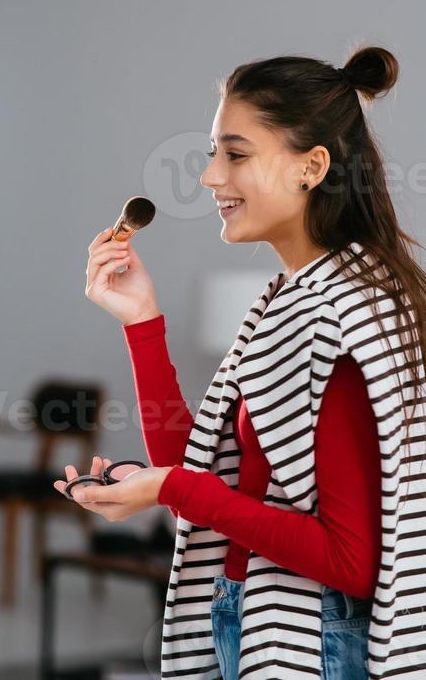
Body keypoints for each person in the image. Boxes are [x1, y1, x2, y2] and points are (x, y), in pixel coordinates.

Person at [53, 45, 426, 680]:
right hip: (250, 621)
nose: (209, 178)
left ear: (311, 167)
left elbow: (352, 558)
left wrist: (169, 487)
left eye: (236, 153)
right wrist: (143, 325)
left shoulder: (340, 317)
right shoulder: (294, 300)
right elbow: (202, 478)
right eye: (212, 154)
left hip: (313, 646)